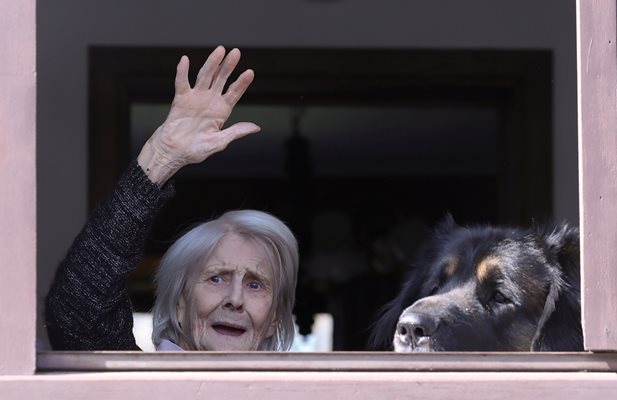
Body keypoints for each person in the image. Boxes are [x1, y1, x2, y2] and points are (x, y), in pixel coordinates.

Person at [45, 46, 299, 351]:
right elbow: (78, 312)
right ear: (180, 302)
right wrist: (162, 159)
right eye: (217, 278)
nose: (235, 299)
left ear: (274, 318)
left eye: (255, 284)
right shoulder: (141, 385)